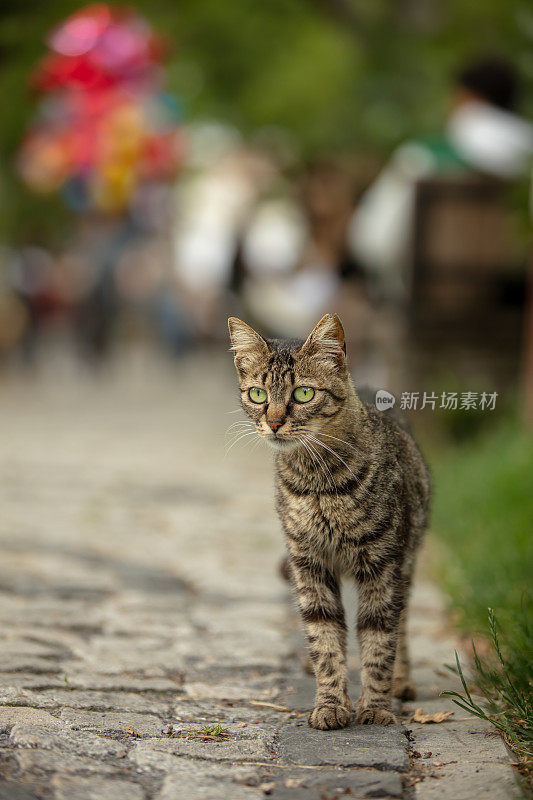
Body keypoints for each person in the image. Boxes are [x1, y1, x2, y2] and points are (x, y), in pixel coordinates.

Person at [349, 56, 533, 300]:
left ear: (467, 96)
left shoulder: (421, 156)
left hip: (428, 302)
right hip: (513, 304)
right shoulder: (526, 158)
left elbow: (372, 243)